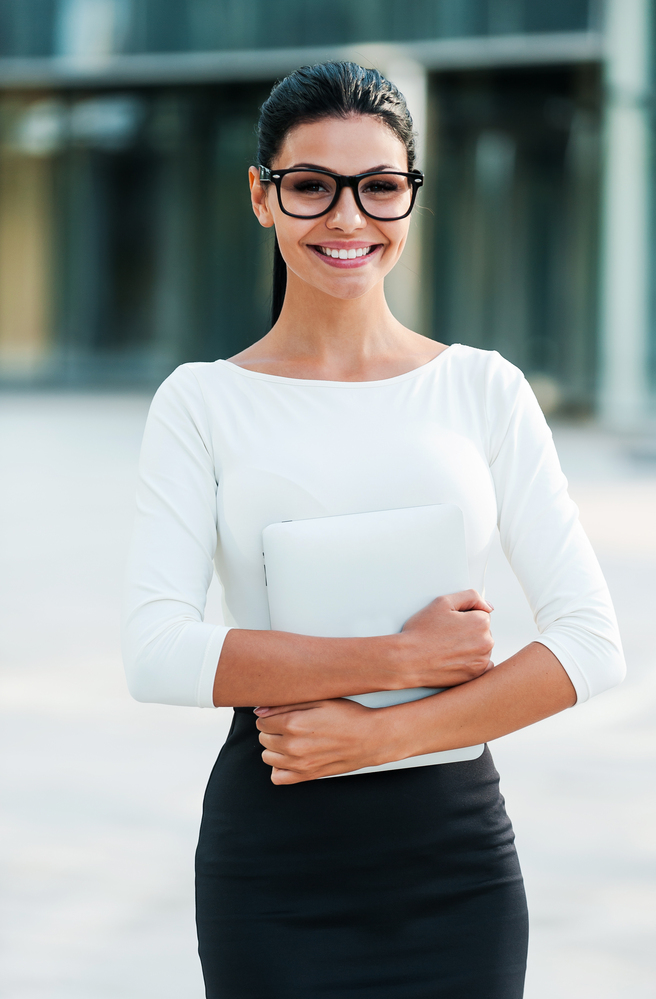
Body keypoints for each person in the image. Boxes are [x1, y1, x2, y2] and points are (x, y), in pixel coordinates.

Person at [122, 62, 625, 999]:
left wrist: (381, 736)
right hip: (274, 859)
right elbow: (156, 652)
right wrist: (396, 657)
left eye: (379, 187)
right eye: (311, 186)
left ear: (409, 196)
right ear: (261, 196)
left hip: (455, 862)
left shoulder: (481, 387)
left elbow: (590, 646)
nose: (348, 220)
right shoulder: (203, 401)